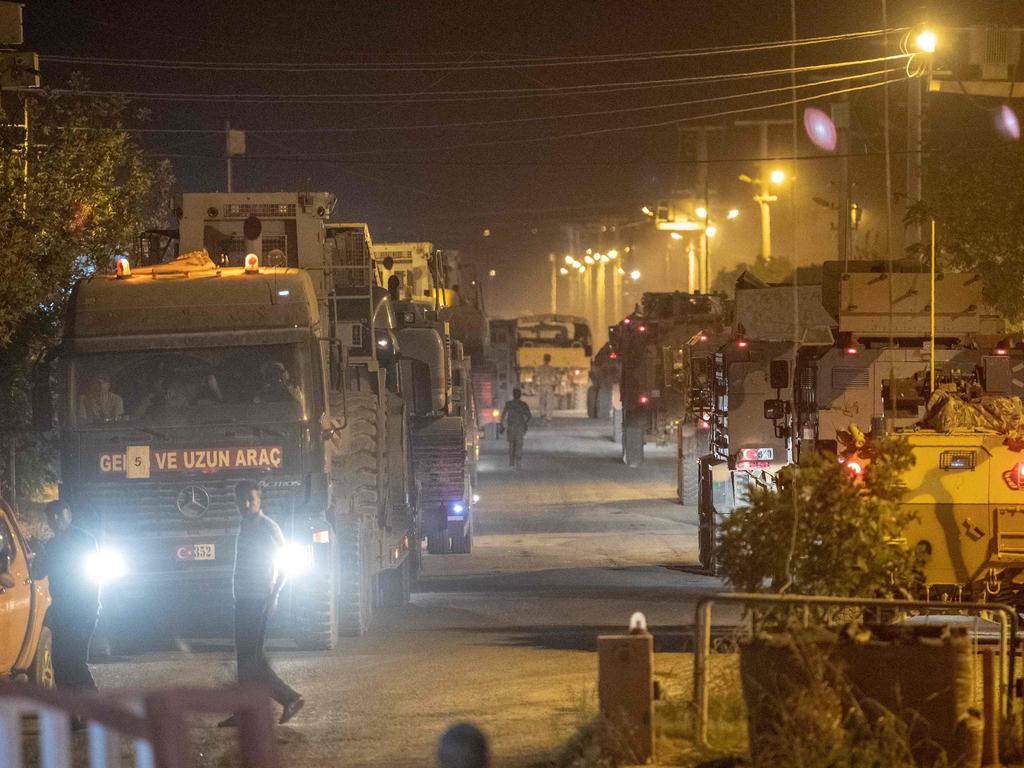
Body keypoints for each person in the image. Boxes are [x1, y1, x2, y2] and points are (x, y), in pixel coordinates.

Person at [219, 480, 304, 727]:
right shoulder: (245, 525)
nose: (246, 504)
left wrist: (273, 595)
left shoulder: (268, 527)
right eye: (241, 500)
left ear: (259, 500)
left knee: (252, 661)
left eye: (251, 499)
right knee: (246, 658)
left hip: (258, 600)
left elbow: (286, 563)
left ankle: (290, 698)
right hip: (244, 599)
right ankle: (246, 712)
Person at [36, 501, 100, 693]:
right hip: (61, 611)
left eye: (59, 515)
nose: (55, 519)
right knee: (60, 662)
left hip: (82, 611)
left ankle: (93, 706)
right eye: (51, 516)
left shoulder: (85, 541)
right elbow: (39, 573)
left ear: (69, 515)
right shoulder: (51, 545)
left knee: (75, 661)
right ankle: (71, 713)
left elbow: (92, 577)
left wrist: (92, 608)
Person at [500, 388, 532, 470]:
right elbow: (529, 416)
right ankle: (518, 462)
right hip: (520, 427)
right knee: (519, 445)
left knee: (511, 444)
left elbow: (503, 415)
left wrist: (502, 425)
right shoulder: (523, 404)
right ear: (520, 395)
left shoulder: (508, 404)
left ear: (513, 395)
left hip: (511, 427)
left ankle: (511, 461)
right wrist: (525, 422)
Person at [535, 354, 559, 423]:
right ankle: (549, 417)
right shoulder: (551, 368)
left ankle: (542, 414)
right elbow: (556, 378)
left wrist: (535, 385)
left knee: (542, 401)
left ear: (543, 359)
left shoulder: (540, 368)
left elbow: (535, 377)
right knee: (549, 402)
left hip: (542, 386)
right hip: (549, 386)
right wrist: (555, 385)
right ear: (550, 360)